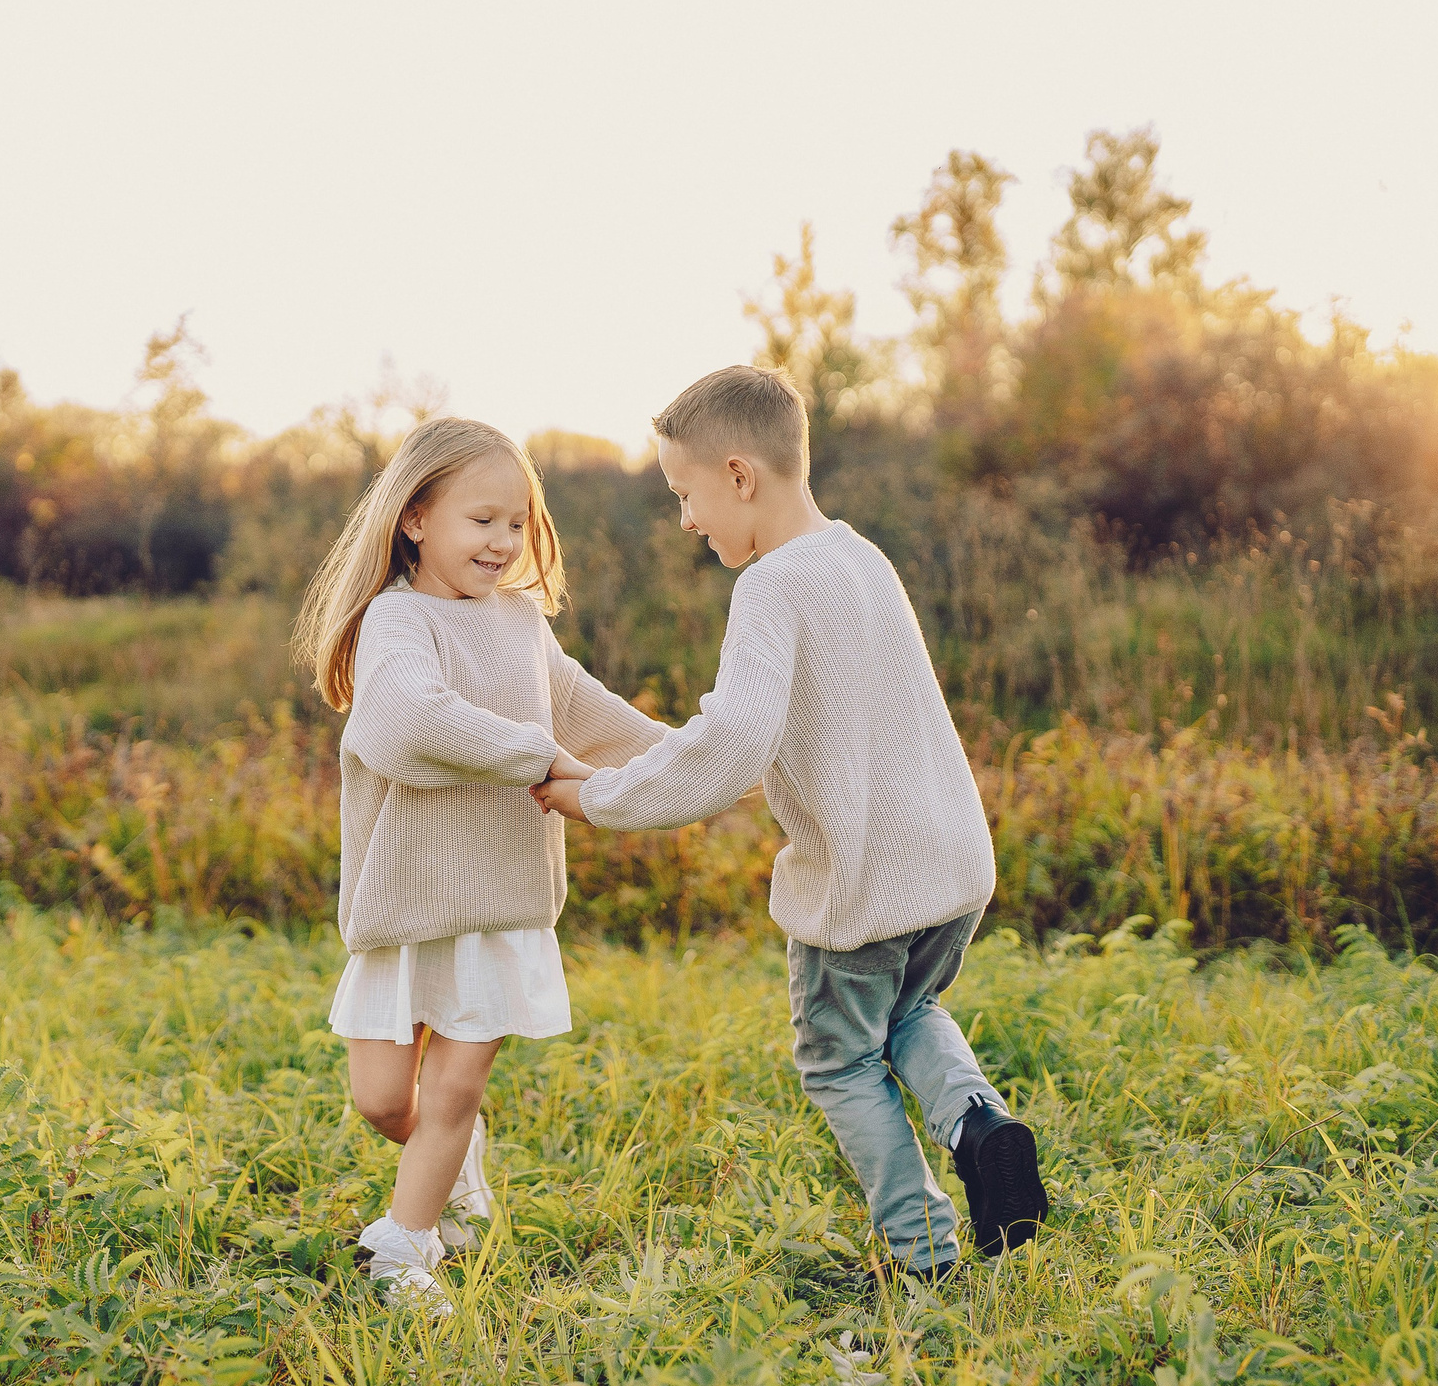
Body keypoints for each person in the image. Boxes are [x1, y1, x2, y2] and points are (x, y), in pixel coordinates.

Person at [532, 365, 1046, 1279]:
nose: (685, 519)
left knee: (839, 1061)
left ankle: (924, 1253)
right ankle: (979, 1124)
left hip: (862, 884)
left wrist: (591, 795)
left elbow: (732, 744)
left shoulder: (770, 587)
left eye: (685, 494)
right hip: (953, 867)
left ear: (740, 476)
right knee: (911, 1009)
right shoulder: (861, 557)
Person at [293, 417, 667, 1310]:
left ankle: (405, 1254)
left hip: (503, 899)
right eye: (482, 521)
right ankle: (450, 1166)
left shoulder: (523, 625)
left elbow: (589, 713)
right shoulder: (396, 622)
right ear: (416, 519)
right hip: (406, 903)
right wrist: (539, 758)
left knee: (456, 1083)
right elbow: (408, 723)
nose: (503, 543)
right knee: (385, 1100)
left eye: (517, 523)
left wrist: (693, 761)